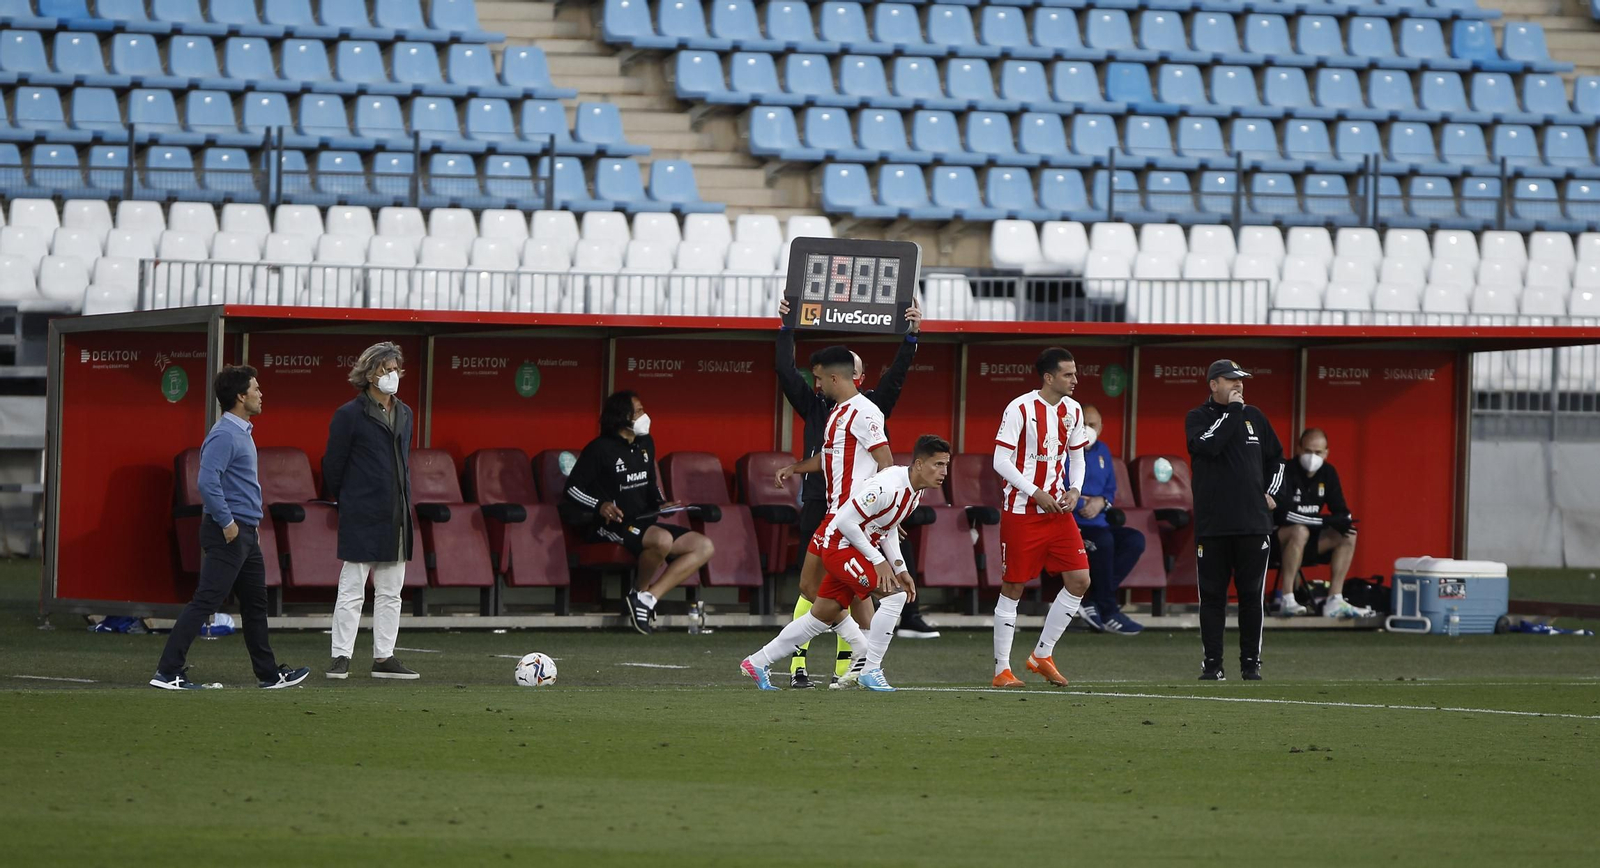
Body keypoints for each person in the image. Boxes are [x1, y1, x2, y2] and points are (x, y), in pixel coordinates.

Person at [773, 319, 931, 688]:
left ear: (837, 378)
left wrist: (886, 512)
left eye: (818, 378)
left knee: (873, 589)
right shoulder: (834, 414)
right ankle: (862, 656)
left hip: (855, 518)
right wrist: (795, 468)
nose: (814, 384)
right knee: (814, 589)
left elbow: (887, 462)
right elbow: (828, 459)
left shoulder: (866, 411)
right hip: (832, 512)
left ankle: (867, 663)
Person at [741, 435, 950, 692]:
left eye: (946, 465)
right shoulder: (888, 486)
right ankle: (870, 669)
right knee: (894, 597)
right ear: (919, 464)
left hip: (855, 549)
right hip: (839, 547)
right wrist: (878, 561)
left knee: (818, 618)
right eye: (938, 465)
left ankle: (757, 662)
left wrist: (900, 568)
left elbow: (889, 528)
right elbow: (845, 522)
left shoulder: (914, 492)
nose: (944, 472)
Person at [150, 365, 310, 690]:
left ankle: (268, 675)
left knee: (255, 605)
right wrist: (229, 523)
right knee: (206, 601)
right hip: (229, 531)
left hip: (245, 532)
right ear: (240, 396)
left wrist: (249, 527)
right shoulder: (224, 434)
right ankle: (167, 672)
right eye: (256, 389)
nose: (261, 394)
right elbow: (207, 483)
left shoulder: (241, 432)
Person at [565, 391, 715, 634]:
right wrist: (599, 505)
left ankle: (646, 598)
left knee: (704, 546)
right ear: (621, 417)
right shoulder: (599, 449)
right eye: (638, 411)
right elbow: (572, 489)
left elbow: (650, 482)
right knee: (662, 539)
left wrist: (660, 503)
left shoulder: (646, 443)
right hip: (613, 525)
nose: (644, 416)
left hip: (645, 521)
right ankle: (640, 590)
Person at [989, 347, 1093, 689]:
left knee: (1079, 580)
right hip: (1022, 511)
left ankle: (1041, 655)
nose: (1075, 380)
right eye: (1068, 374)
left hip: (1058, 513)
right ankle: (1002, 670)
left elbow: (1076, 458)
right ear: (1048, 377)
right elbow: (1000, 461)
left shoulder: (1074, 410)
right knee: (1014, 587)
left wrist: (1075, 490)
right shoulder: (1019, 408)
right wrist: (1035, 492)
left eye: (1075, 373)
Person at [323, 342, 418, 681]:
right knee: (351, 588)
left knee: (392, 591)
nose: (392, 374)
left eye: (395, 368)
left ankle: (384, 657)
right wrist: (350, 498)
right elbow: (333, 465)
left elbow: (403, 463)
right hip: (361, 511)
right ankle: (340, 656)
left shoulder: (405, 413)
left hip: (397, 512)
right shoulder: (349, 414)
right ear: (368, 373)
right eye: (385, 368)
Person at [1185, 359, 1285, 682]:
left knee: (1251, 597)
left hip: (1253, 525)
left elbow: (1277, 460)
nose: (1239, 385)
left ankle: (1251, 665)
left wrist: (1271, 493)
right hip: (1213, 526)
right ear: (1214, 385)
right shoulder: (1197, 418)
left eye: (1241, 380)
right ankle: (1212, 665)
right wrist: (1232, 413)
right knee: (1212, 599)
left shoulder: (1255, 416)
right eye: (1231, 380)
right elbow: (1209, 446)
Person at [1273, 428, 1364, 619]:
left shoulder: (1328, 473)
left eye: (1318, 452)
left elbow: (1342, 512)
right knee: (1300, 531)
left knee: (1349, 533)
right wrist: (1325, 521)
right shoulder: (1285, 471)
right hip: (1278, 542)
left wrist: (1339, 521)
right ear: (1298, 449)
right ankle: (1286, 598)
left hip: (1310, 541)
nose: (1312, 457)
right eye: (1308, 451)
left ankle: (1335, 600)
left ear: (1326, 453)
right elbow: (1284, 514)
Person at [1073, 404, 1147, 635]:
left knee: (1134, 540)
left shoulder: (1103, 450)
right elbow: (1058, 489)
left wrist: (1101, 502)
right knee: (1103, 541)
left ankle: (1094, 600)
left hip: (1100, 522)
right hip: (1072, 526)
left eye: (1092, 425)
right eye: (1083, 423)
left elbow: (1110, 490)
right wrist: (1085, 503)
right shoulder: (1063, 451)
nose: (1087, 429)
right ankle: (1107, 609)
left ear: (1101, 428)